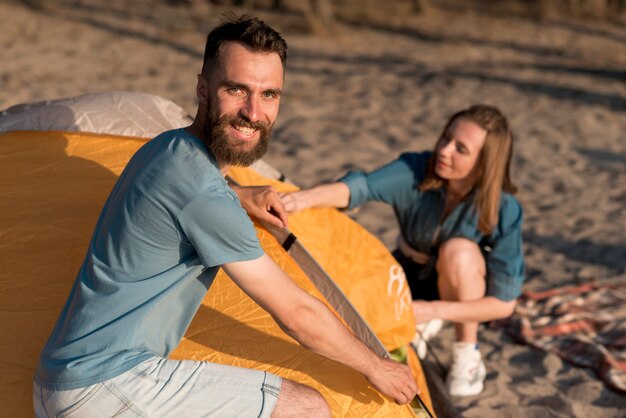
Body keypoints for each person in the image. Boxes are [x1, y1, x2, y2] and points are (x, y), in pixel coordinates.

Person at [33, 15, 419, 417]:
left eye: (269, 94)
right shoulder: (204, 196)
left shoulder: (167, 148)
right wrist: (377, 366)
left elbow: (189, 199)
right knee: (307, 408)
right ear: (203, 88)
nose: (253, 112)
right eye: (237, 90)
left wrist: (237, 194)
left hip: (61, 379)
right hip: (106, 386)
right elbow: (297, 315)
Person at [280, 104, 524, 397]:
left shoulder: (505, 209)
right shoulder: (417, 169)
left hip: (460, 285)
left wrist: (431, 310)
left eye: (461, 148)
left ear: (485, 164)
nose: (444, 151)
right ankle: (417, 326)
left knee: (459, 251)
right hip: (404, 273)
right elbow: (359, 188)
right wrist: (301, 200)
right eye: (446, 137)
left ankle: (467, 354)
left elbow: (503, 304)